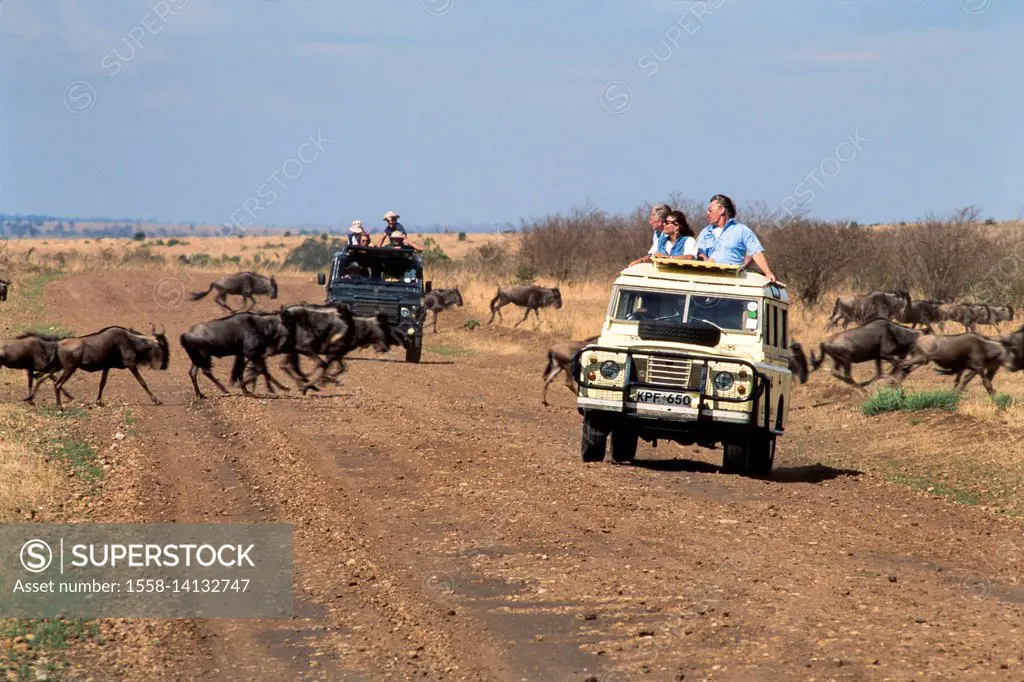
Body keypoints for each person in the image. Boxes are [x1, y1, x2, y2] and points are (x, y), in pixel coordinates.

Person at [695, 194, 777, 283]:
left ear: (721, 210)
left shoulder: (741, 230)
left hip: (733, 280)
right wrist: (706, 260)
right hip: (709, 279)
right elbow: (699, 253)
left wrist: (767, 272)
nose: (707, 213)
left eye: (710, 210)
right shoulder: (705, 232)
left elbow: (756, 252)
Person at [632, 210, 697, 264]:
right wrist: (641, 261)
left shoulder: (688, 241)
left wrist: (667, 258)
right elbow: (651, 256)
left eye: (667, 222)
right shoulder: (661, 241)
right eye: (664, 222)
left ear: (677, 226)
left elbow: (690, 257)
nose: (664, 224)